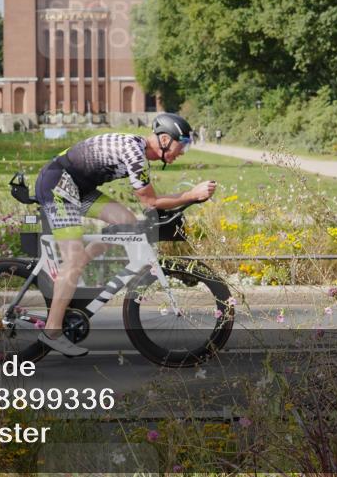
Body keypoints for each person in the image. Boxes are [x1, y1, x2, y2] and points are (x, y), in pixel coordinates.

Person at [33, 113, 216, 356]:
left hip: (78, 188)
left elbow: (147, 206)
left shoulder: (138, 152)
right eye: (181, 146)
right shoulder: (135, 154)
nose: (182, 152)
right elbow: (151, 201)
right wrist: (192, 195)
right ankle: (52, 331)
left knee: (127, 223)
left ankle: (76, 266)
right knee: (73, 259)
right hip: (58, 185)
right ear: (164, 139)